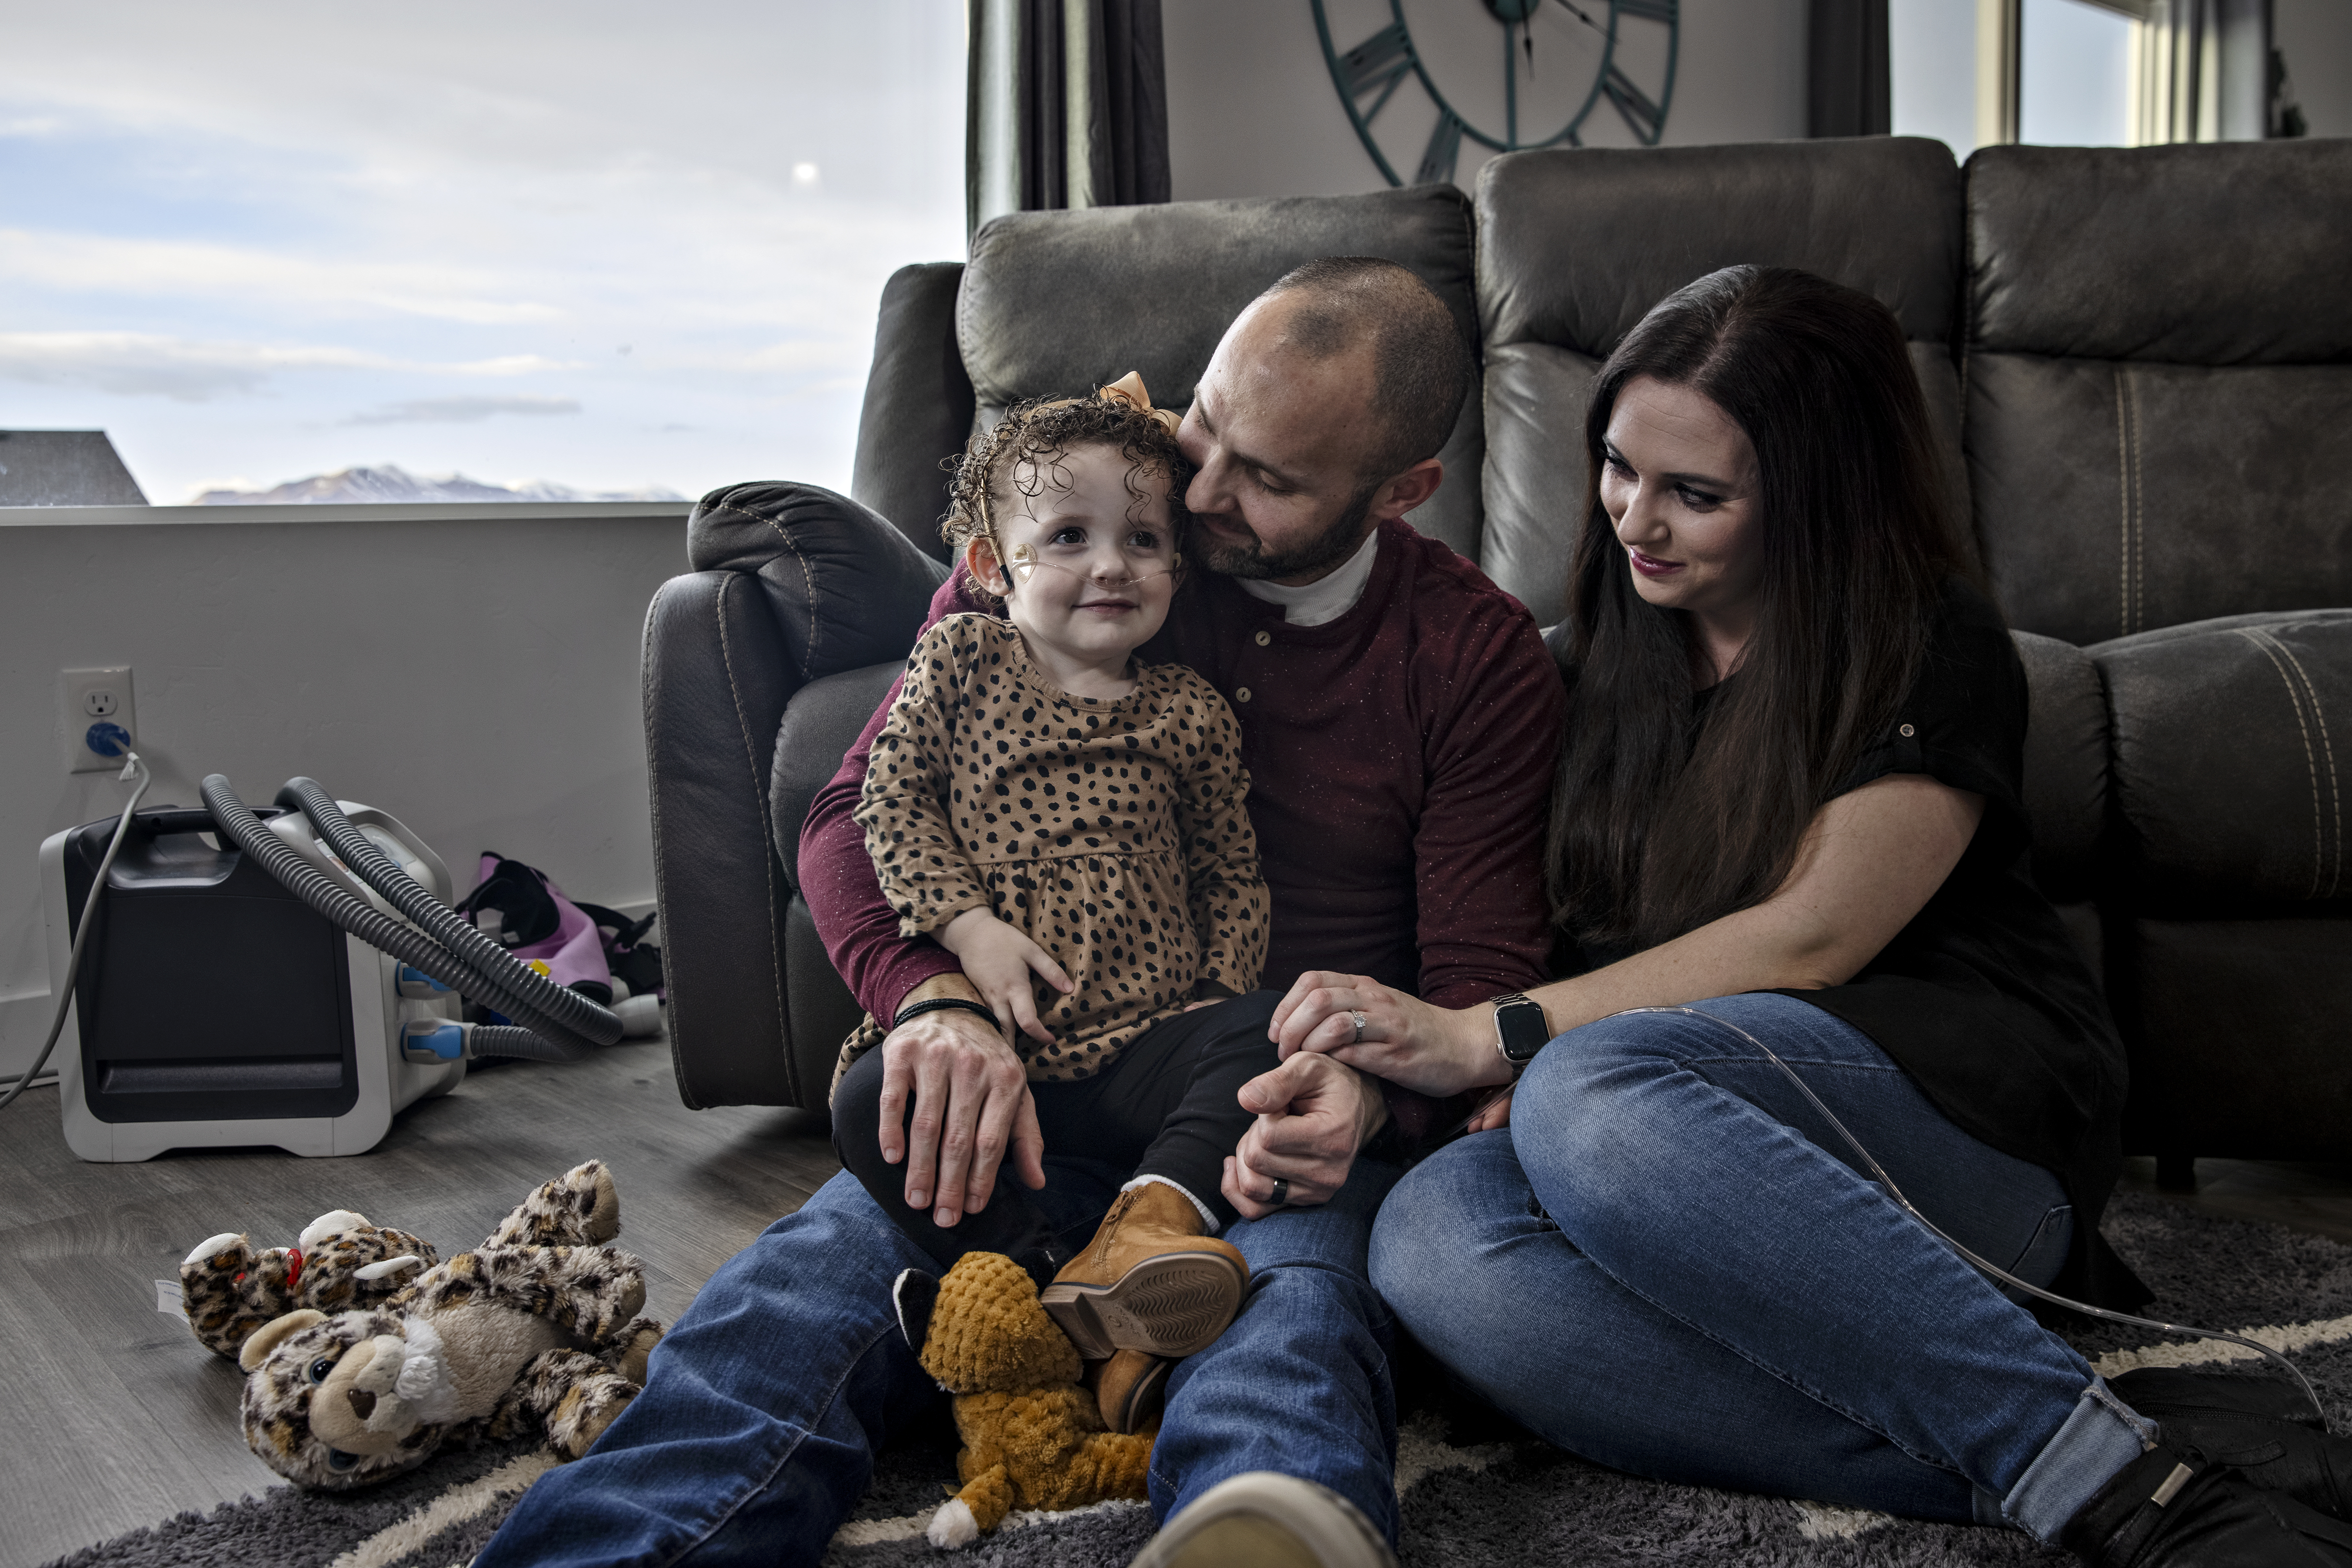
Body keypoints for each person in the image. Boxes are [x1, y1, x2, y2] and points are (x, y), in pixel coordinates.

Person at [473, 257, 1563, 1568]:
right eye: (1205, 425)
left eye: (1269, 480)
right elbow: (850, 817)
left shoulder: (1472, 655)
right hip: (1014, 1086)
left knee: (1288, 1334)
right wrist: (934, 1001)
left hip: (1250, 1120)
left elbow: (1476, 997)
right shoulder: (1086, 518)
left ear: (1400, 492)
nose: (1200, 493)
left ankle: (1259, 1523)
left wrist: (1375, 1103)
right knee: (784, 1313)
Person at [1272, 265, 2352, 1567]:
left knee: (1586, 1086)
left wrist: (1489, 1038)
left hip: (1965, 1146)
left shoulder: (1927, 640)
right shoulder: (1584, 661)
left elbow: (1815, 936)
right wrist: (1383, 1077)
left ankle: (2122, 1495)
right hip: (1683, 1172)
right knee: (1433, 1237)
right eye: (1618, 466)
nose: (1635, 518)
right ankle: (2106, 1450)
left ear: (1815, 494)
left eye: (1697, 494)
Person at [831, 376, 1279, 1381]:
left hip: (1141, 1048)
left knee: (1273, 1029)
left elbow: (1230, 871)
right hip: (997, 1042)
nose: (1111, 565)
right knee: (873, 1097)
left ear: (1177, 565)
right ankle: (1044, 1291)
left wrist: (1220, 987)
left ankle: (1133, 1238)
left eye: (1145, 541)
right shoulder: (961, 658)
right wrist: (966, 928)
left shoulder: (1190, 711)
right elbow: (888, 804)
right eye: (1069, 536)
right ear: (992, 565)